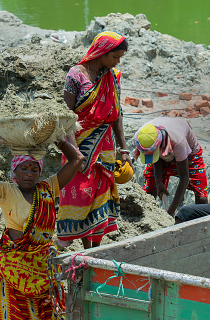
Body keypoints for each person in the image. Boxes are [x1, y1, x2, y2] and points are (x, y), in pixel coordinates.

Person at [0, 128, 84, 320]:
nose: (29, 174)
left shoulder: (48, 188)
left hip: (43, 271)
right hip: (15, 273)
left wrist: (59, 140)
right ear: (14, 171)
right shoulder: (5, 191)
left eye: (34, 169)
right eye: (24, 168)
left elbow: (77, 159)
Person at [56, 31, 134, 249]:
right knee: (79, 195)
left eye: (120, 58)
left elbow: (116, 114)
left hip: (105, 148)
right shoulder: (75, 75)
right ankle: (76, 246)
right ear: (101, 52)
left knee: (99, 197)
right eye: (115, 57)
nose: (117, 62)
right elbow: (67, 117)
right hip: (78, 146)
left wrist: (124, 149)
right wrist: (74, 152)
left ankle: (94, 248)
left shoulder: (113, 77)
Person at [133, 117, 208, 217]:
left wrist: (171, 211)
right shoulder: (141, 138)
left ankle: (202, 222)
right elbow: (156, 159)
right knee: (150, 188)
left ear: (160, 146)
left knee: (201, 196)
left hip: (189, 155)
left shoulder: (178, 141)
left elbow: (184, 178)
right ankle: (147, 216)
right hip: (164, 150)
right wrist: (159, 183)